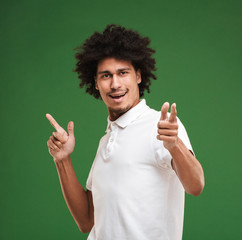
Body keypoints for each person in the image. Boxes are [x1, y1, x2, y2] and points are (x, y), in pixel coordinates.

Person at [46, 24, 205, 240]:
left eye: (123, 73)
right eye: (105, 76)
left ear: (138, 76)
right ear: (95, 83)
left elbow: (196, 186)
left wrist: (175, 144)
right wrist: (62, 159)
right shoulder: (106, 140)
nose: (115, 84)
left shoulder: (159, 126)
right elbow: (86, 221)